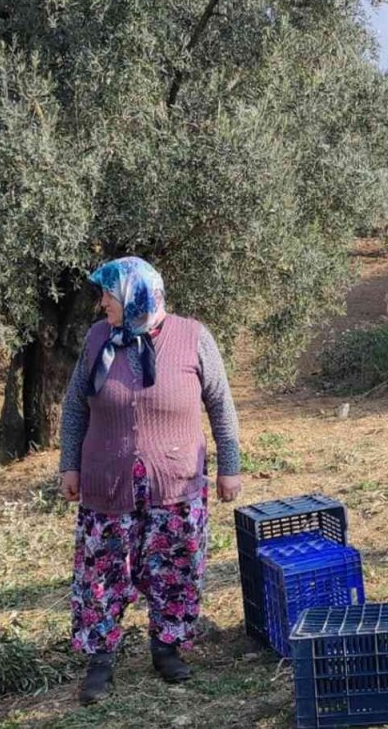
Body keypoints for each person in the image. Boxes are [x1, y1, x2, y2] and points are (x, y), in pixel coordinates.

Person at [58, 257, 244, 706]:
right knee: (102, 575)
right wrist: (70, 465)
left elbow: (221, 404)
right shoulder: (98, 337)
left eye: (109, 294)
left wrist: (229, 465)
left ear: (137, 294)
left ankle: (167, 647)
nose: (102, 302)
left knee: (176, 569)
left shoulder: (193, 336)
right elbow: (74, 406)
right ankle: (100, 662)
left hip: (176, 482)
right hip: (107, 481)